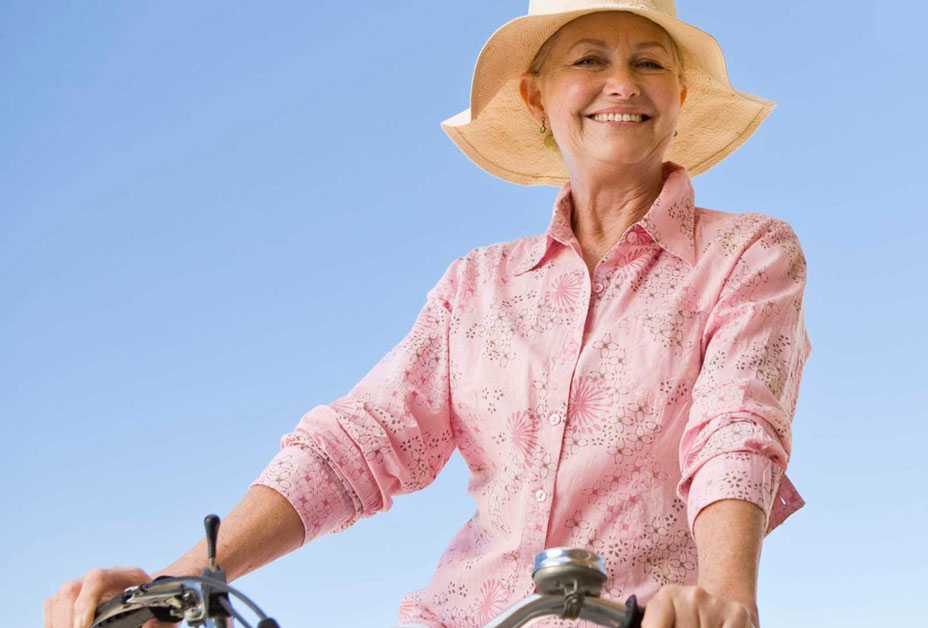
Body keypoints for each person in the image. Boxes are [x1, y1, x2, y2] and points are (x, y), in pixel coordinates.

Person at [45, 2, 812, 627]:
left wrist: (725, 598)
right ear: (537, 97)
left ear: (680, 99)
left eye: (650, 62)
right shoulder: (478, 285)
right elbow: (358, 443)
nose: (623, 83)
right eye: (589, 60)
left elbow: (735, 425)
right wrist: (176, 585)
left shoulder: (747, 255)